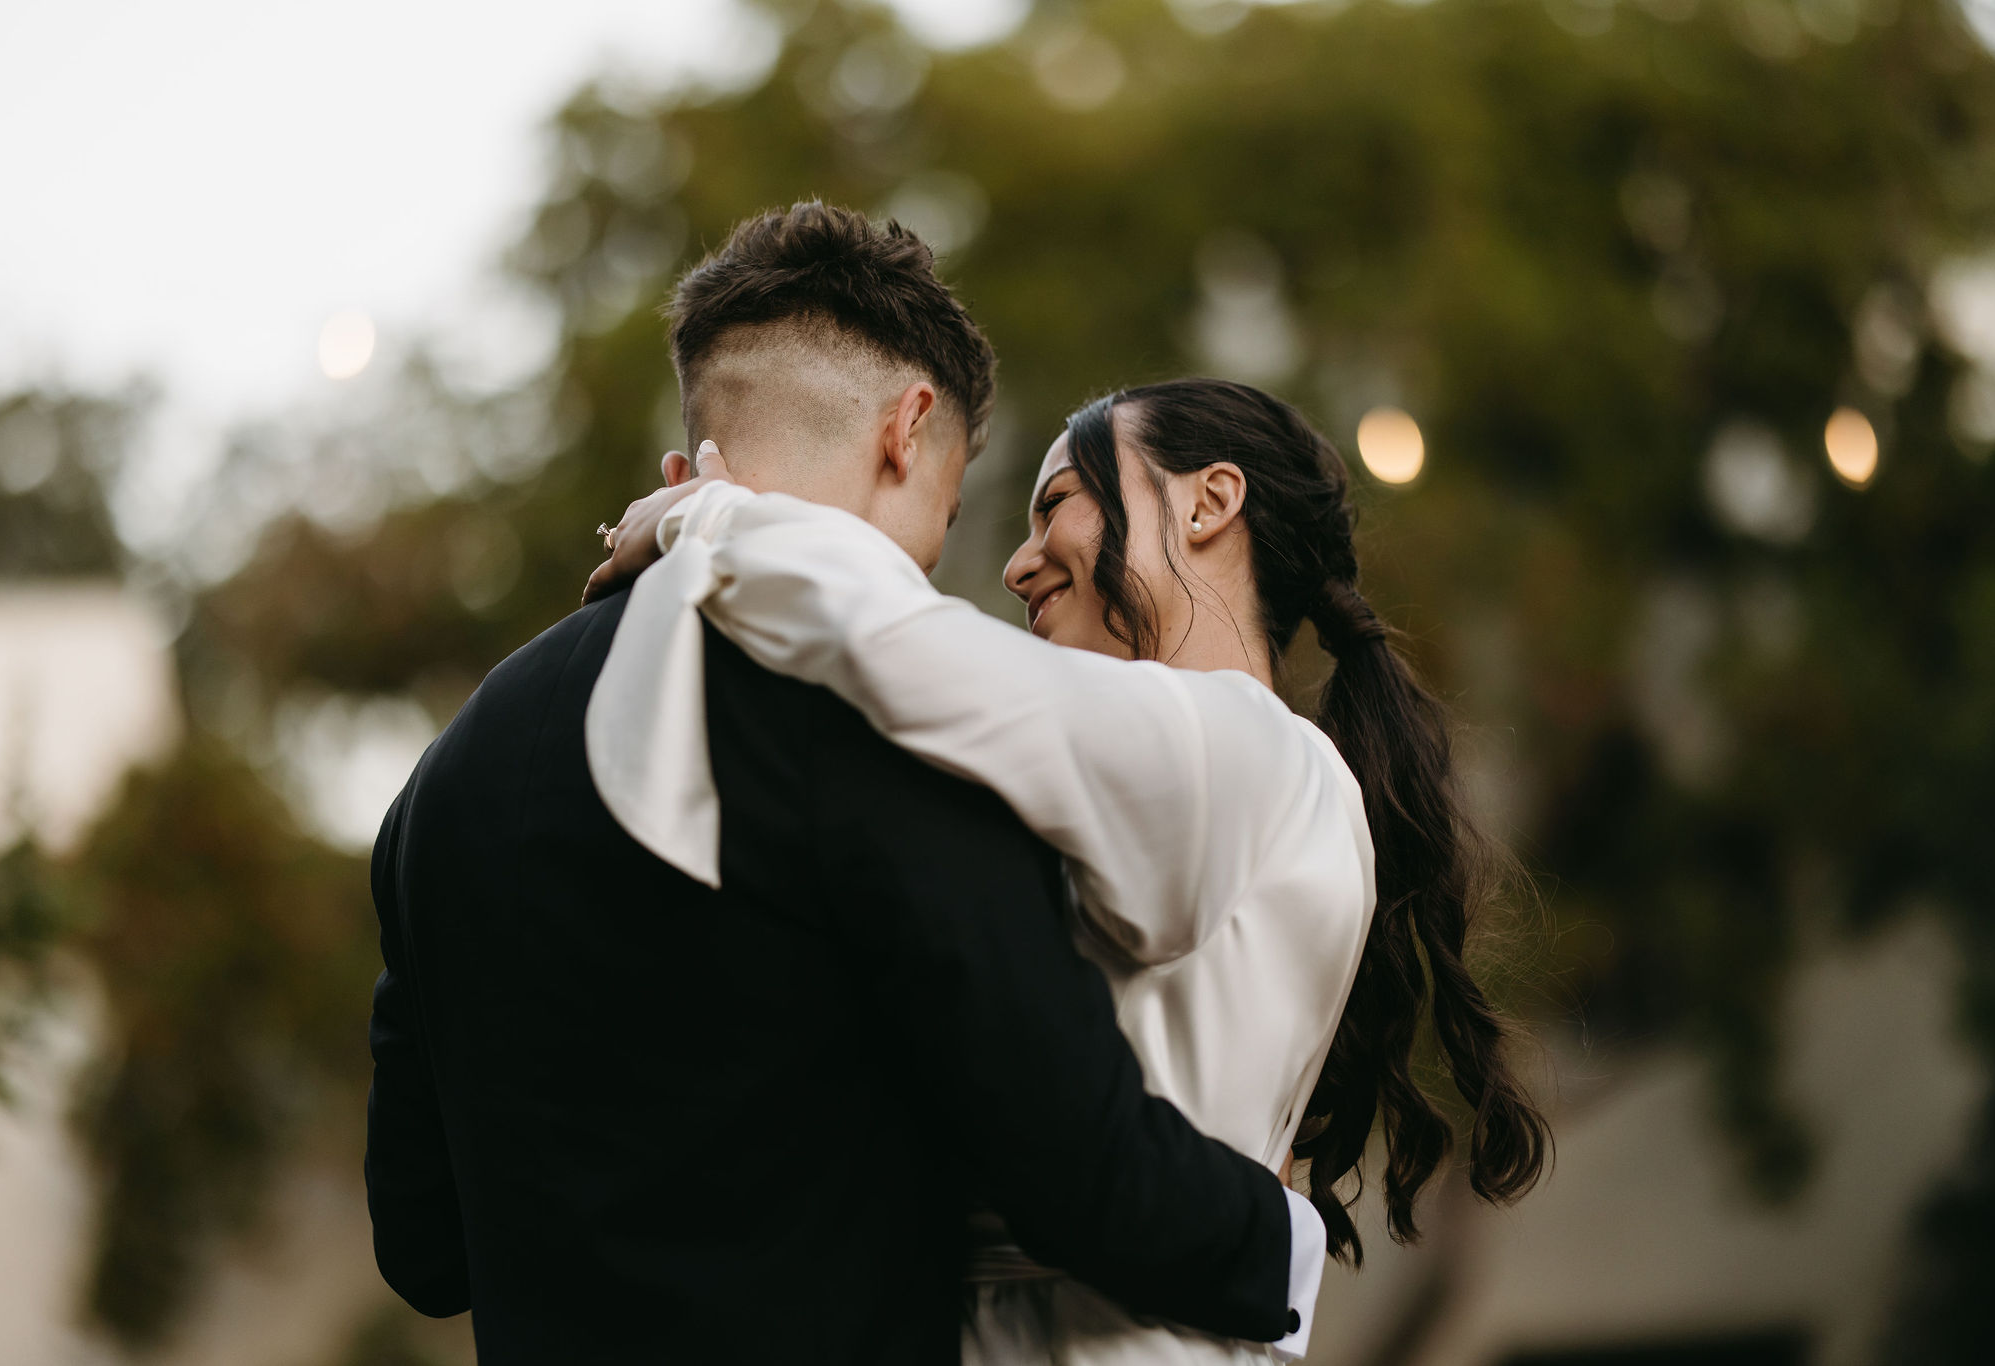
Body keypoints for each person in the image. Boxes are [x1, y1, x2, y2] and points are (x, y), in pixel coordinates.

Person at [364, 205, 1325, 1366]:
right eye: (952, 512)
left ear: (684, 476)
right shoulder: (891, 736)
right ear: (907, 430)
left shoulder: (443, 783)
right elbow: (1071, 1168)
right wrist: (1280, 1236)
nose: (934, 565)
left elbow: (424, 1248)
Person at [586, 377, 1552, 1363]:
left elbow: (899, 650)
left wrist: (714, 518)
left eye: (1056, 505)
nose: (1014, 563)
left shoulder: (1245, 747)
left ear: (1208, 502)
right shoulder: (1202, 770)